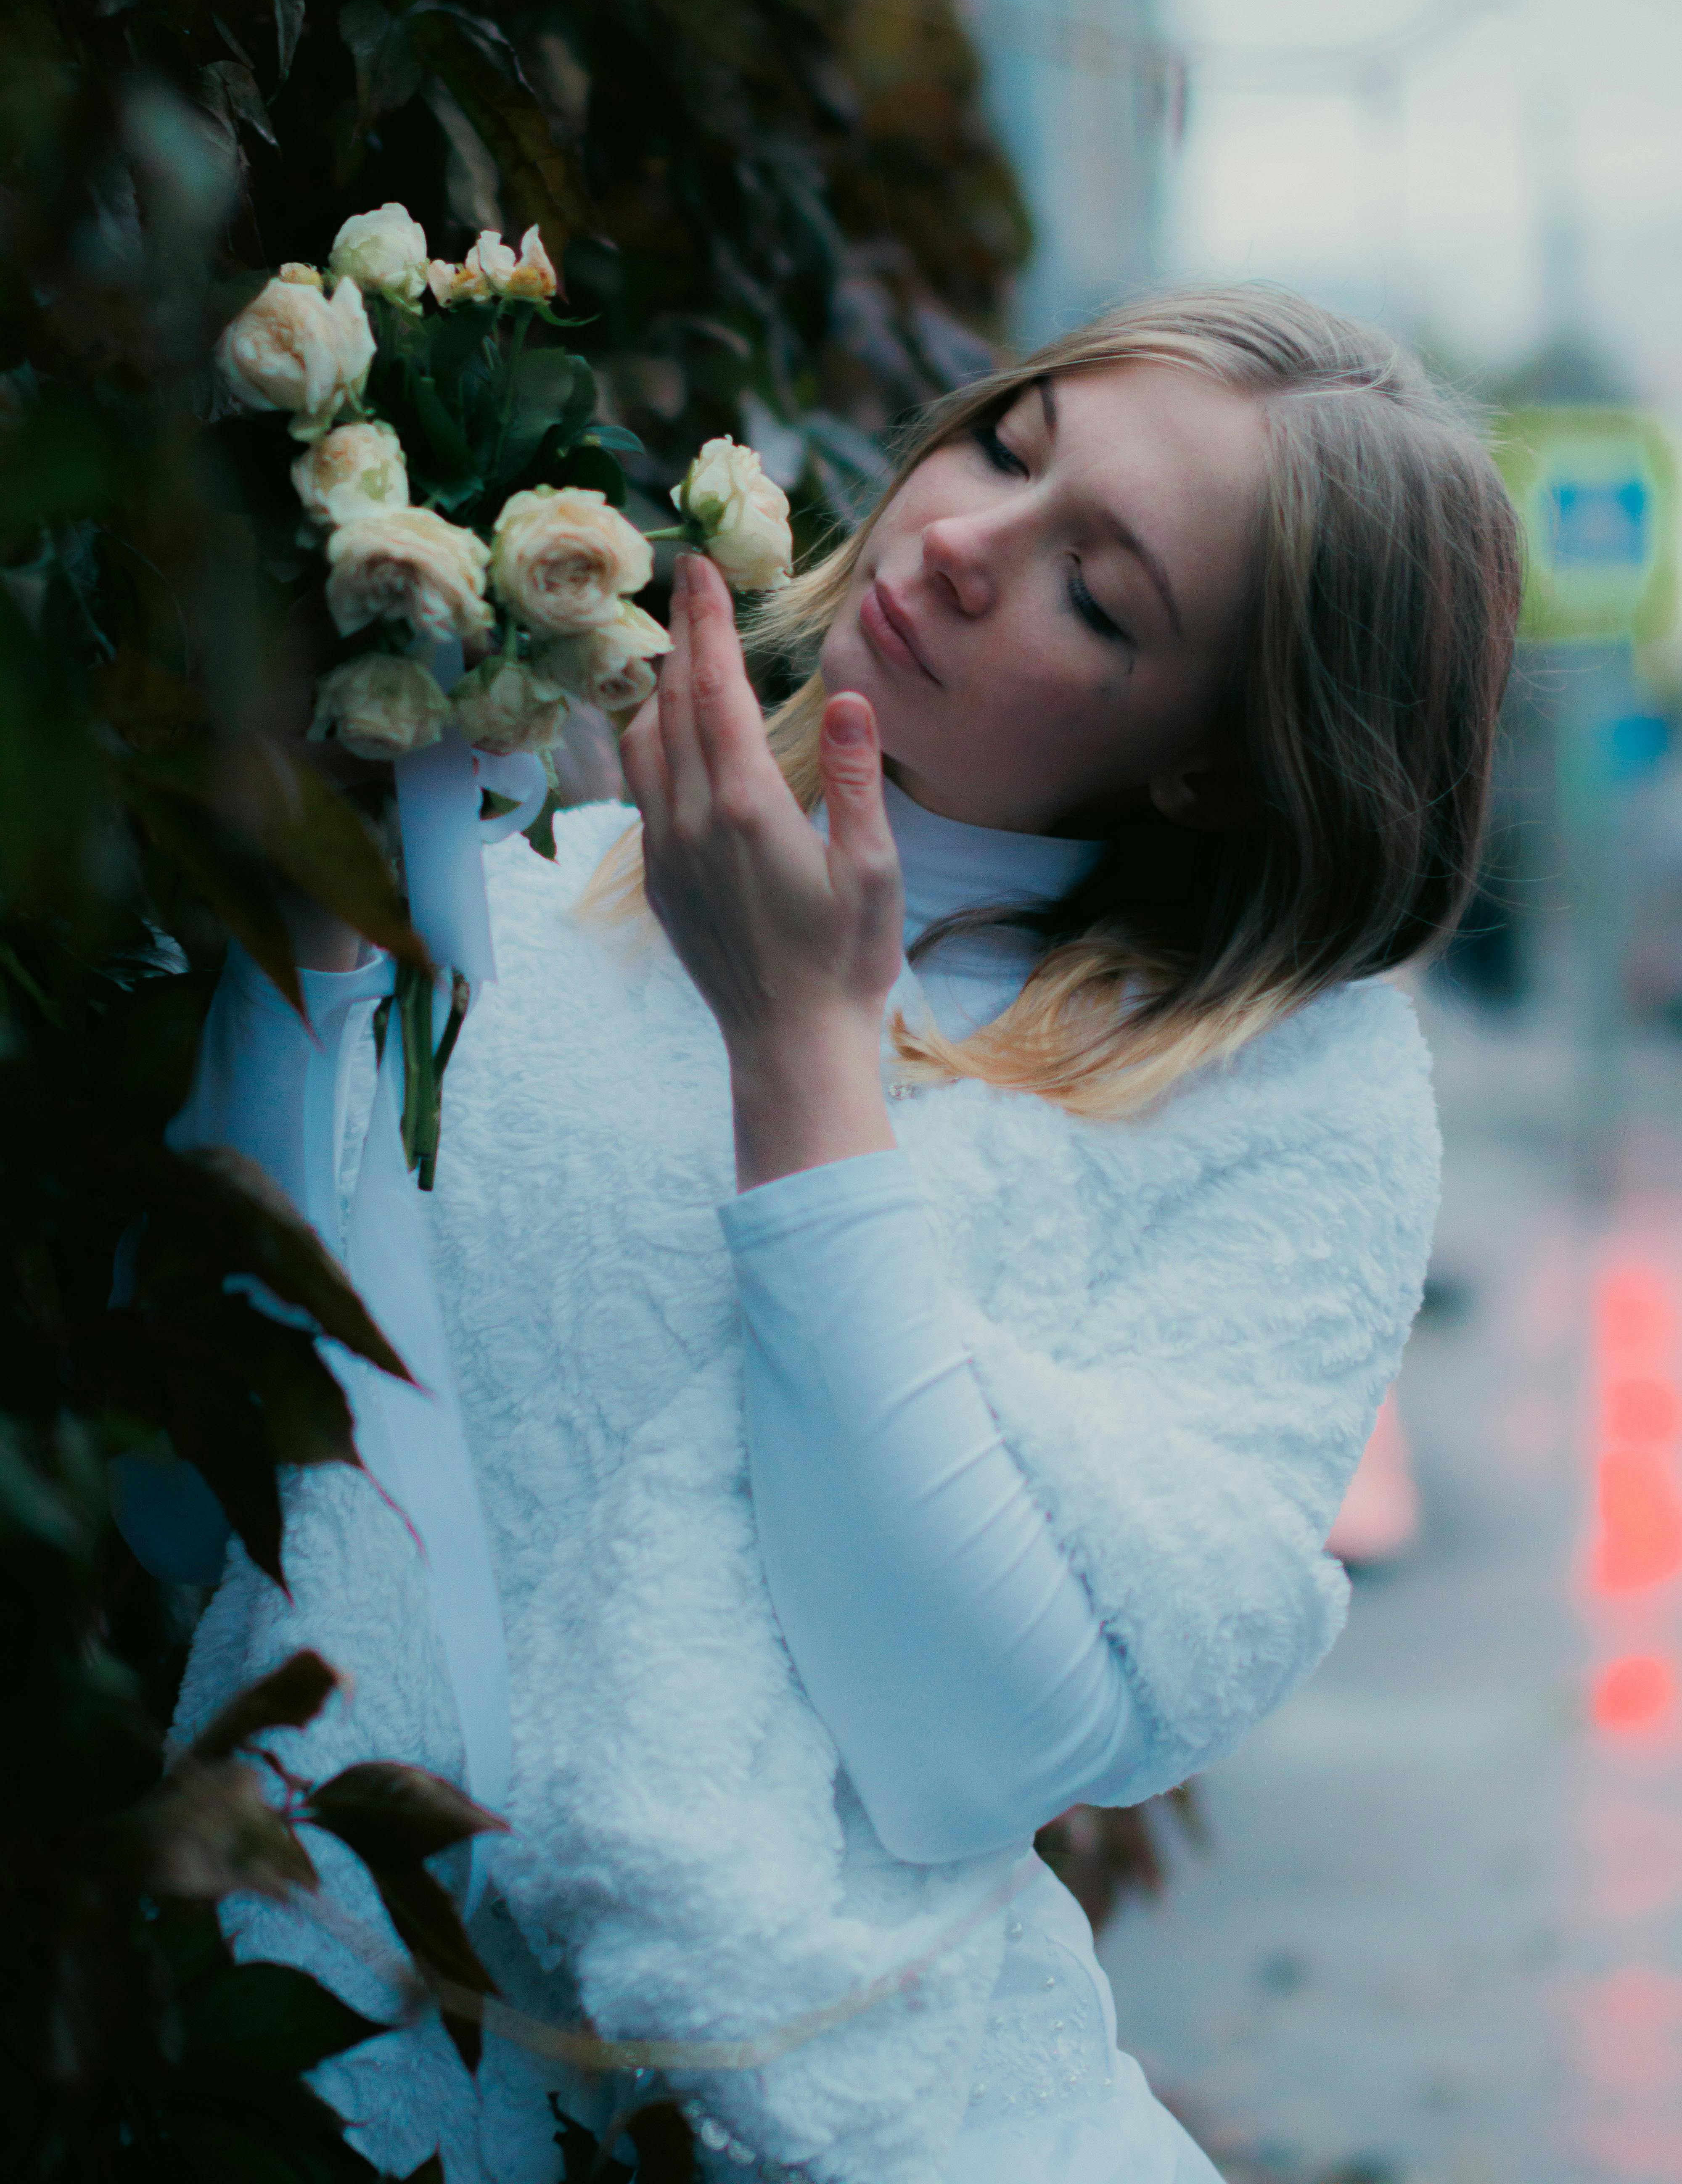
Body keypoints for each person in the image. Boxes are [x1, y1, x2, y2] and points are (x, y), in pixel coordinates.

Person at [172, 288, 1522, 2184]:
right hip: (316, 2056)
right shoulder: (537, 883)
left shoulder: (1266, 1099)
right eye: (1006, 444)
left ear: (1205, 755)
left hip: (843, 2120)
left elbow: (973, 1744)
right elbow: (230, 1411)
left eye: (1098, 596)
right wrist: (312, 921)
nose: (957, 547)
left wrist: (797, 1056)